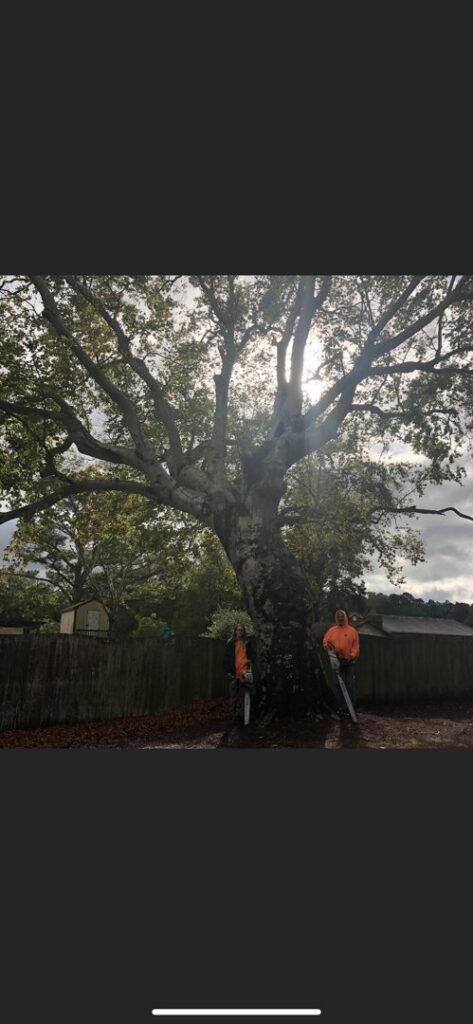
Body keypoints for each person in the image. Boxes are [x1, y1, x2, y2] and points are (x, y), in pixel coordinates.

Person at [323, 609, 360, 720]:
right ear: (336, 618)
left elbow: (356, 647)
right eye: (338, 616)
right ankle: (341, 709)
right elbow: (325, 641)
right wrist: (327, 647)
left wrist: (351, 656)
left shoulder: (352, 631)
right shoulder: (332, 631)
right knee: (339, 686)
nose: (340, 618)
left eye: (342, 616)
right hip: (336, 662)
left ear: (345, 617)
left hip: (348, 662)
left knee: (349, 685)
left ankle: (350, 709)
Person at [224, 623, 256, 721]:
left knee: (248, 694)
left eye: (241, 630)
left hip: (245, 673)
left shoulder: (247, 643)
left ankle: (244, 715)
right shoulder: (230, 643)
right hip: (234, 673)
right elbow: (226, 659)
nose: (239, 632)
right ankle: (233, 717)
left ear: (243, 632)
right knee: (233, 696)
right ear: (235, 631)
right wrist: (228, 672)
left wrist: (249, 660)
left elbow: (253, 655)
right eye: (238, 630)